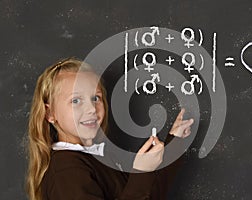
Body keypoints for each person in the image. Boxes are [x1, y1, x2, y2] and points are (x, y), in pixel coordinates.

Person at [26, 57, 194, 200]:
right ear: (50, 113)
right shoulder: (66, 171)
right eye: (76, 100)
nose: (92, 108)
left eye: (95, 98)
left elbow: (146, 194)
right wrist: (141, 171)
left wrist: (175, 142)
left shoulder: (99, 158)